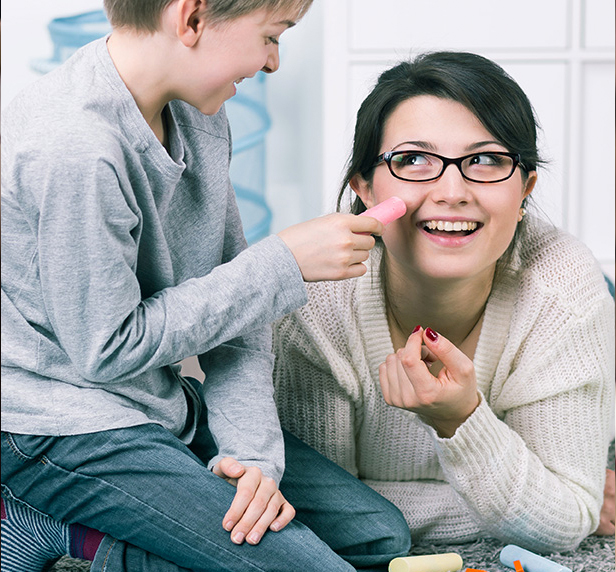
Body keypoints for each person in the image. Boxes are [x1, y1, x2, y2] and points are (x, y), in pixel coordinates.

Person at [0, 1, 412, 571]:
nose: (273, 62)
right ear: (191, 19)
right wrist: (279, 265)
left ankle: (109, 536)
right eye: (271, 36)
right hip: (61, 427)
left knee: (378, 539)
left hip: (156, 406)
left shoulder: (199, 116)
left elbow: (236, 315)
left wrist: (253, 459)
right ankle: (45, 523)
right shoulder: (74, 148)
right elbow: (106, 350)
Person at [273, 51, 615, 552]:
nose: (452, 191)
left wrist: (461, 419)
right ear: (363, 188)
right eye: (412, 160)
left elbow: (565, 521)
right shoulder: (315, 302)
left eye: (486, 159)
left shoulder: (563, 288)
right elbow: (330, 517)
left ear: (525, 192)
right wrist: (524, 499)